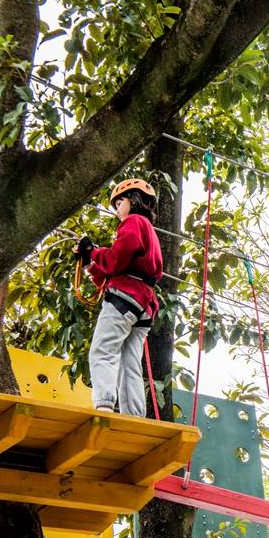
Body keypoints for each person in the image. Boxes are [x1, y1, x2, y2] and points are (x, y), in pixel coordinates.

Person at [74, 178, 163, 415]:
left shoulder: (133, 222)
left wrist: (93, 250)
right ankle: (134, 416)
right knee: (129, 362)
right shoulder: (150, 233)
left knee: (102, 350)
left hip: (125, 296)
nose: (117, 210)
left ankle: (103, 405)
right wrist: (89, 263)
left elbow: (116, 259)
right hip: (143, 303)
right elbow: (112, 272)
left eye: (119, 202)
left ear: (133, 200)